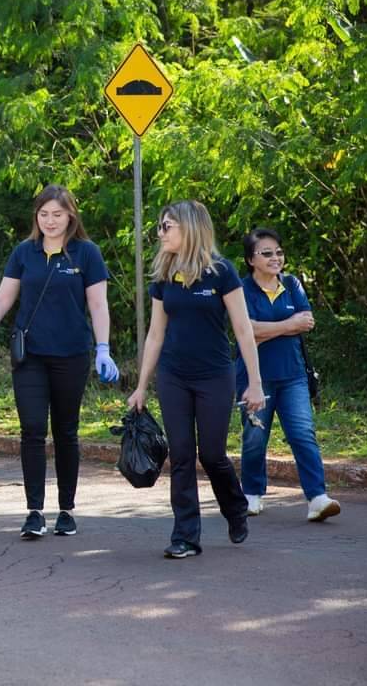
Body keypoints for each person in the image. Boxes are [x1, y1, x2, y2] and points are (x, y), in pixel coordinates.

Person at [0, 185, 118, 539]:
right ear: (36, 217)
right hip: (30, 356)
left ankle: (66, 510)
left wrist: (103, 348)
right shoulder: (24, 252)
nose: (50, 221)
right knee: (32, 429)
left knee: (66, 431)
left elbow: (97, 305)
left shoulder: (87, 254)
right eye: (44, 214)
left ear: (71, 217)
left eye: (58, 214)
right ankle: (34, 511)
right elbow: (3, 299)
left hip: (72, 354)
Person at [127, 200, 265, 559]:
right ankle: (185, 535)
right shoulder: (164, 274)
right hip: (173, 376)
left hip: (215, 376)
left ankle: (235, 509)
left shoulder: (222, 272)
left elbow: (242, 329)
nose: (160, 233)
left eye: (167, 226)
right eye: (160, 226)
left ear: (189, 228)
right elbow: (156, 334)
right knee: (183, 455)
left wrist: (255, 382)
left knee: (213, 454)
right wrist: (141, 386)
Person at [237, 228, 340, 521]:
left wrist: (264, 330)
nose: (275, 258)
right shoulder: (241, 290)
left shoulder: (292, 284)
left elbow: (306, 322)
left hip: (293, 374)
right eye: (266, 253)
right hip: (253, 377)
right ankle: (252, 494)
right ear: (250, 259)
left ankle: (317, 497)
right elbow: (246, 331)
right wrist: (286, 325)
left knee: (303, 434)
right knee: (255, 437)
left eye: (278, 252)